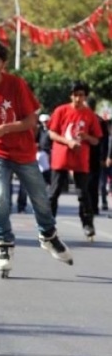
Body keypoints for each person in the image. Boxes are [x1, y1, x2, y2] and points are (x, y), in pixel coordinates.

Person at [0, 42, 73, 276]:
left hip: (23, 152)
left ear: (3, 65)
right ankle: (3, 245)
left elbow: (31, 122)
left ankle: (48, 236)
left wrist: (3, 129)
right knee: (0, 197)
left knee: (41, 199)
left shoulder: (16, 85)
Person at [48, 82, 102, 240]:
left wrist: (86, 137)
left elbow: (96, 140)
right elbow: (52, 133)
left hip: (80, 159)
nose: (78, 98)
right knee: (54, 192)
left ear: (85, 96)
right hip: (61, 156)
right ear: (71, 95)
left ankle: (87, 224)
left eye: (82, 95)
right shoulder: (61, 110)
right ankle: (48, 224)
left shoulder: (89, 115)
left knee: (83, 194)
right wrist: (68, 142)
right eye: (75, 94)